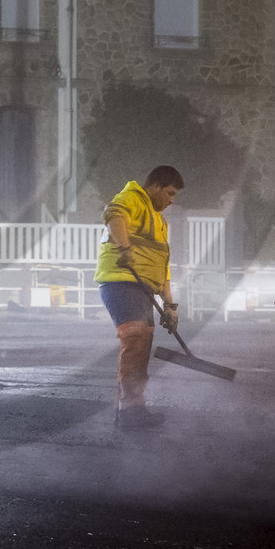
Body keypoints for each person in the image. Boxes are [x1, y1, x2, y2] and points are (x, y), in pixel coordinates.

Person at [94, 165, 184, 429]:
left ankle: (133, 408)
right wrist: (124, 248)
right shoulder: (132, 197)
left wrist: (169, 306)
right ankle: (129, 412)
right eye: (169, 193)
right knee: (135, 336)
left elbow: (163, 268)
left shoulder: (160, 223)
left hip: (143, 288)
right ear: (154, 186)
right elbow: (114, 215)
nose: (171, 200)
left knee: (142, 342)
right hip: (120, 282)